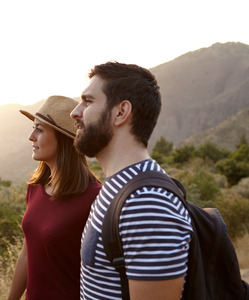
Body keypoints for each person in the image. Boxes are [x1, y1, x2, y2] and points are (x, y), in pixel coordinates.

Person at [70, 62, 193, 300]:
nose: (75, 112)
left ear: (120, 112)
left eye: (88, 101)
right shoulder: (120, 188)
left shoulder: (147, 203)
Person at [8, 95, 101, 300]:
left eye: (39, 129)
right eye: (33, 128)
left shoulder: (94, 198)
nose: (31, 136)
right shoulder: (35, 188)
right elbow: (26, 253)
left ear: (63, 138)